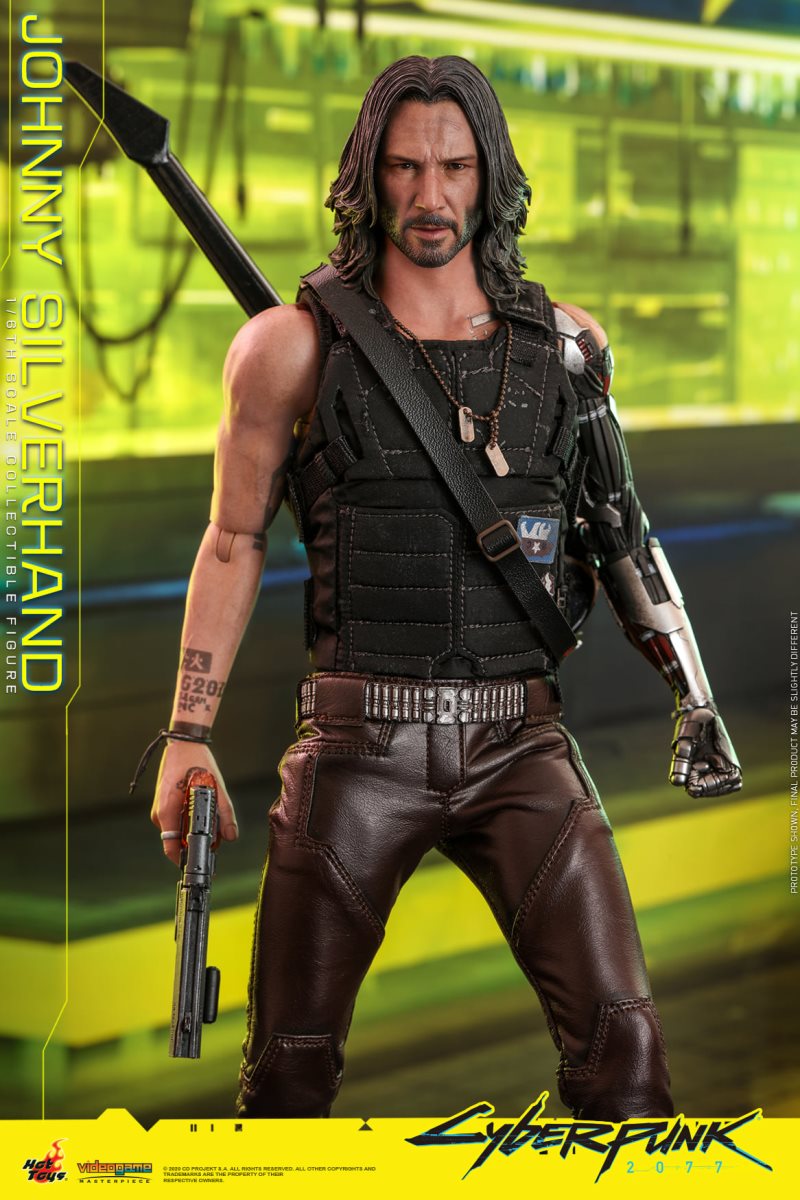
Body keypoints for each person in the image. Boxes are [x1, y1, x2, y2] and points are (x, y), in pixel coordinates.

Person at [150, 55, 741, 1120]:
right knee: (286, 1078)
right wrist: (187, 734)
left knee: (628, 1063)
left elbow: (620, 532)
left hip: (521, 745)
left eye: (455, 167)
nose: (430, 195)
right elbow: (231, 541)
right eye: (405, 167)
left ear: (489, 176)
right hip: (355, 749)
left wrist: (692, 698)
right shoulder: (287, 349)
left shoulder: (566, 348)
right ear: (368, 176)